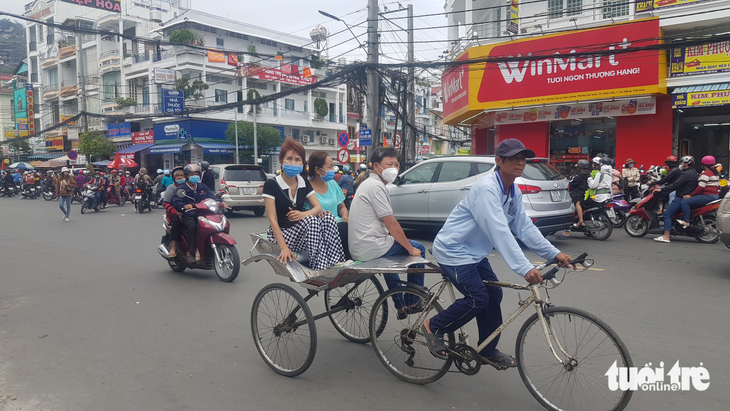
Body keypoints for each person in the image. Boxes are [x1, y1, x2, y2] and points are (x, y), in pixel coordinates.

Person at [422, 139, 574, 366]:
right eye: (513, 158)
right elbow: (499, 231)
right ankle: (434, 326)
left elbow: (524, 227)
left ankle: (486, 349)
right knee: (478, 298)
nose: (520, 162)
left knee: (494, 296)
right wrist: (525, 268)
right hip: (453, 251)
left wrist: (553, 253)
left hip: (474, 254)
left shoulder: (513, 191)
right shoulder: (486, 189)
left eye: (523, 158)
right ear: (499, 161)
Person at [348, 147, 426, 319]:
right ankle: (412, 301)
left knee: (392, 263)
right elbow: (391, 223)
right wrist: (410, 249)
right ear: (376, 166)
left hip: (365, 244)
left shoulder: (370, 183)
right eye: (389, 164)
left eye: (396, 164)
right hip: (371, 245)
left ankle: (400, 307)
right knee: (418, 247)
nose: (394, 168)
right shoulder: (375, 186)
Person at [262, 137, 345, 270]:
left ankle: (335, 262)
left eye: (297, 159)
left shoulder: (303, 182)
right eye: (289, 158)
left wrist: (303, 215)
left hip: (301, 232)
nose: (293, 163)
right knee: (311, 221)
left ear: (302, 163)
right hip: (282, 233)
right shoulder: (271, 184)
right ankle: (319, 267)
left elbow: (318, 207)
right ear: (281, 161)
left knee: (328, 217)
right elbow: (272, 219)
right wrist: (284, 248)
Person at [171, 164, 227, 264]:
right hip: (189, 215)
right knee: (193, 227)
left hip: (204, 213)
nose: (194, 176)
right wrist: (185, 206)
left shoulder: (202, 186)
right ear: (187, 176)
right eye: (192, 174)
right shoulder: (181, 189)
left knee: (216, 224)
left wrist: (221, 203)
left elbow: (212, 196)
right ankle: (190, 252)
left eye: (196, 174)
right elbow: (176, 202)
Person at [305, 151, 351, 259]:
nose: (333, 170)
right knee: (344, 229)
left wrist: (344, 215)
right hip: (322, 227)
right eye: (330, 167)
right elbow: (305, 213)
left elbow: (342, 207)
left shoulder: (333, 184)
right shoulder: (307, 188)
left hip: (339, 223)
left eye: (333, 166)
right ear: (317, 169)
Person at [653, 156, 698, 243]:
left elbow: (675, 184)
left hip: (681, 197)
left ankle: (666, 236)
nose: (680, 164)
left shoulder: (686, 174)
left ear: (686, 164)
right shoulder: (693, 172)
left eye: (682, 163)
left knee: (667, 214)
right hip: (687, 195)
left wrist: (661, 189)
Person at [678, 156, 720, 228]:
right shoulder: (715, 174)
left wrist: (691, 195)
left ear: (703, 165)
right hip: (715, 196)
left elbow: (700, 187)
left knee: (685, 202)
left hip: (707, 196)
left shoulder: (706, 174)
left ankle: (687, 221)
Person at [162, 166, 186, 258]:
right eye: (178, 175)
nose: (180, 177)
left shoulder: (189, 186)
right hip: (174, 213)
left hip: (189, 211)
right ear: (174, 177)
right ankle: (173, 247)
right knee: (176, 222)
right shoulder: (171, 188)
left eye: (182, 175)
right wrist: (176, 212)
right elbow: (166, 203)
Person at [568, 159, 591, 227]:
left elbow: (571, 183)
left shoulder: (579, 176)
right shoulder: (590, 174)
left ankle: (581, 221)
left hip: (579, 194)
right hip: (588, 193)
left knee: (577, 203)